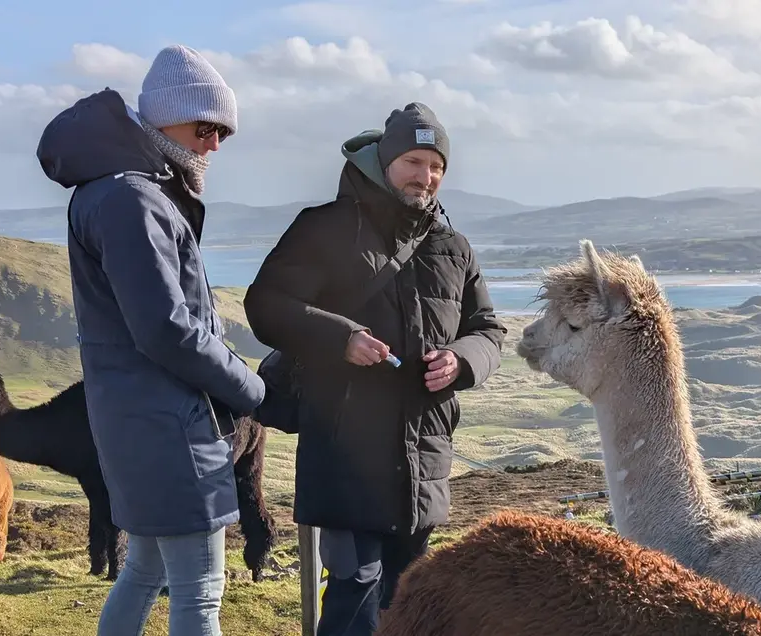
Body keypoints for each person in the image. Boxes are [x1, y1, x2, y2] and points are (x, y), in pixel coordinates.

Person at [244, 102, 506, 636]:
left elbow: (489, 329)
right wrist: (340, 339)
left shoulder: (454, 248)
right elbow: (266, 305)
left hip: (425, 456)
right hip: (344, 453)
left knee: (408, 603)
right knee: (354, 597)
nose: (426, 176)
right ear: (383, 161)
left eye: (436, 166)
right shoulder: (325, 228)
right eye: (414, 161)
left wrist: (461, 361)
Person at [38, 44, 269, 636]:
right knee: (199, 593)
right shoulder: (131, 199)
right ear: (165, 117)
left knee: (141, 569)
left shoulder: (114, 190)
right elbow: (167, 328)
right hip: (170, 426)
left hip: (138, 421)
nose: (214, 144)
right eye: (207, 126)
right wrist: (253, 387)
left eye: (224, 133)